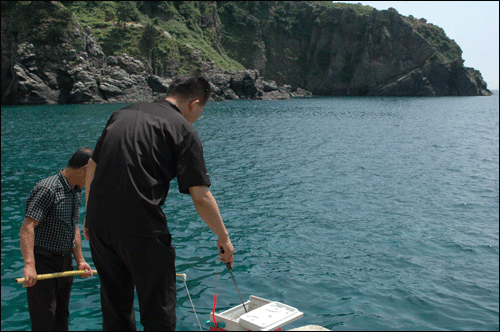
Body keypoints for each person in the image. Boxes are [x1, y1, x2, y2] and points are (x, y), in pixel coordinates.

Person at [84, 73, 234, 331]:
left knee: (115, 309)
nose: (198, 116)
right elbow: (201, 196)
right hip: (141, 228)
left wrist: (88, 216)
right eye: (201, 110)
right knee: (159, 313)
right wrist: (223, 238)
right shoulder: (183, 129)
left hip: (99, 226)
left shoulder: (122, 114)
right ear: (193, 104)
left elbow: (92, 167)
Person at [20, 147, 94, 331]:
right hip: (43, 262)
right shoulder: (48, 188)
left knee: (62, 316)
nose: (94, 181)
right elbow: (27, 226)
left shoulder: (75, 191)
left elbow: (73, 227)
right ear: (85, 170)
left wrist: (80, 260)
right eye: (94, 174)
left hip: (64, 261)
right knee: (45, 318)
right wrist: (29, 265)